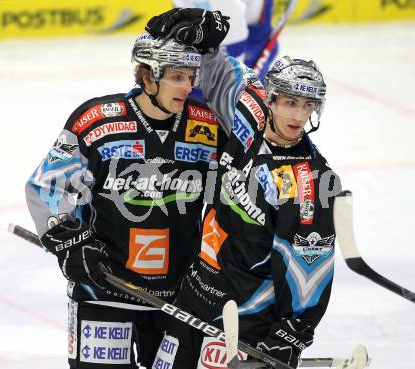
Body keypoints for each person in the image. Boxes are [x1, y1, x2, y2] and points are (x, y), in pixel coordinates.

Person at [25, 19, 229, 369]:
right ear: (149, 77)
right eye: (177, 77)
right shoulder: (98, 120)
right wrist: (68, 242)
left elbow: (235, 195)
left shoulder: (208, 127)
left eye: (191, 78)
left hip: (177, 299)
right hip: (103, 291)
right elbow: (46, 186)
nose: (187, 87)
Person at [146, 8, 342, 369]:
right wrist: (201, 39)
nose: (298, 116)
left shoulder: (310, 182)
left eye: (307, 105)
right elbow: (217, 68)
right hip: (193, 294)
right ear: (270, 99)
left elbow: (310, 269)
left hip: (245, 319)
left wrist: (289, 334)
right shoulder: (248, 108)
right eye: (290, 102)